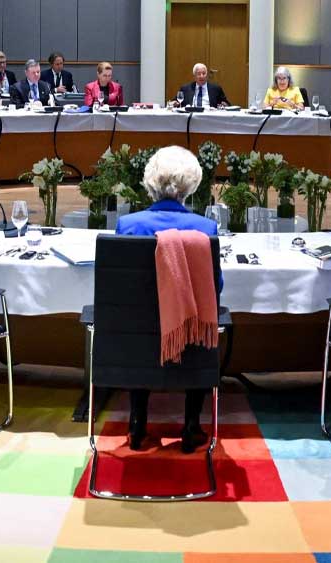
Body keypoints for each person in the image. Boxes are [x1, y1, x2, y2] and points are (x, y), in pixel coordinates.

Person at [116, 146, 220, 454]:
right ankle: (191, 423)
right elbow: (216, 288)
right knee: (203, 316)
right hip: (189, 340)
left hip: (139, 337)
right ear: (192, 184)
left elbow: (123, 289)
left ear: (151, 181)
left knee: (139, 322)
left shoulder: (128, 225)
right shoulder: (206, 228)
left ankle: (137, 421)